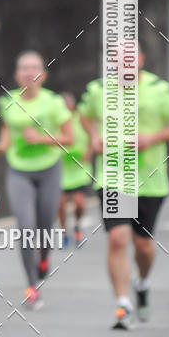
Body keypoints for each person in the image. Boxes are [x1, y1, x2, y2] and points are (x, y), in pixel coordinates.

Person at [79, 44, 169, 329]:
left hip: (150, 180)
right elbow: (85, 115)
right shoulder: (97, 90)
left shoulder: (159, 89)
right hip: (112, 177)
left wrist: (152, 138)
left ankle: (141, 283)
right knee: (118, 238)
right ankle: (122, 304)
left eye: (128, 58)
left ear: (140, 59)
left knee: (143, 246)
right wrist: (93, 137)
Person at [0, 51, 73, 308]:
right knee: (25, 227)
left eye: (34, 68)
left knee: (45, 226)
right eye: (24, 68)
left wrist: (41, 139)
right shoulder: (8, 101)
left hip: (48, 168)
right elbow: (8, 130)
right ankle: (32, 286)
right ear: (17, 75)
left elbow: (70, 138)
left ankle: (43, 259)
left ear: (43, 75)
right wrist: (0, 147)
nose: (29, 72)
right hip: (19, 170)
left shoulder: (53, 103)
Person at [58, 92, 93, 247]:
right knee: (60, 204)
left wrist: (89, 151)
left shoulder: (81, 119)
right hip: (61, 169)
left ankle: (77, 225)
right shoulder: (55, 120)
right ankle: (64, 231)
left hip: (79, 168)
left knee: (79, 204)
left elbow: (93, 135)